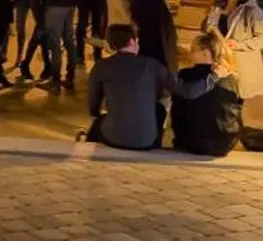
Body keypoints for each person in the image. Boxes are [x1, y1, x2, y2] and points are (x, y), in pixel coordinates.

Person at [85, 23, 221, 151]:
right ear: (132, 42)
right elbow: (188, 91)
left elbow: (93, 102)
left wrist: (96, 113)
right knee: (160, 109)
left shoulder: (101, 66)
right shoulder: (152, 65)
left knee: (97, 124)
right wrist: (214, 76)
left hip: (114, 137)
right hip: (147, 141)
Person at [201, 0, 263, 99]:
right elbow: (207, 29)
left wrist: (239, 44)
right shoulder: (218, 7)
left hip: (239, 65)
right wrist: (209, 18)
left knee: (234, 104)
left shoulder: (253, 10)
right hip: (218, 62)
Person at [171, 31, 244, 156]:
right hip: (227, 142)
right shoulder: (231, 78)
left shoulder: (186, 75)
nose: (190, 53)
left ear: (205, 53)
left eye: (193, 49)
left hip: (194, 142)